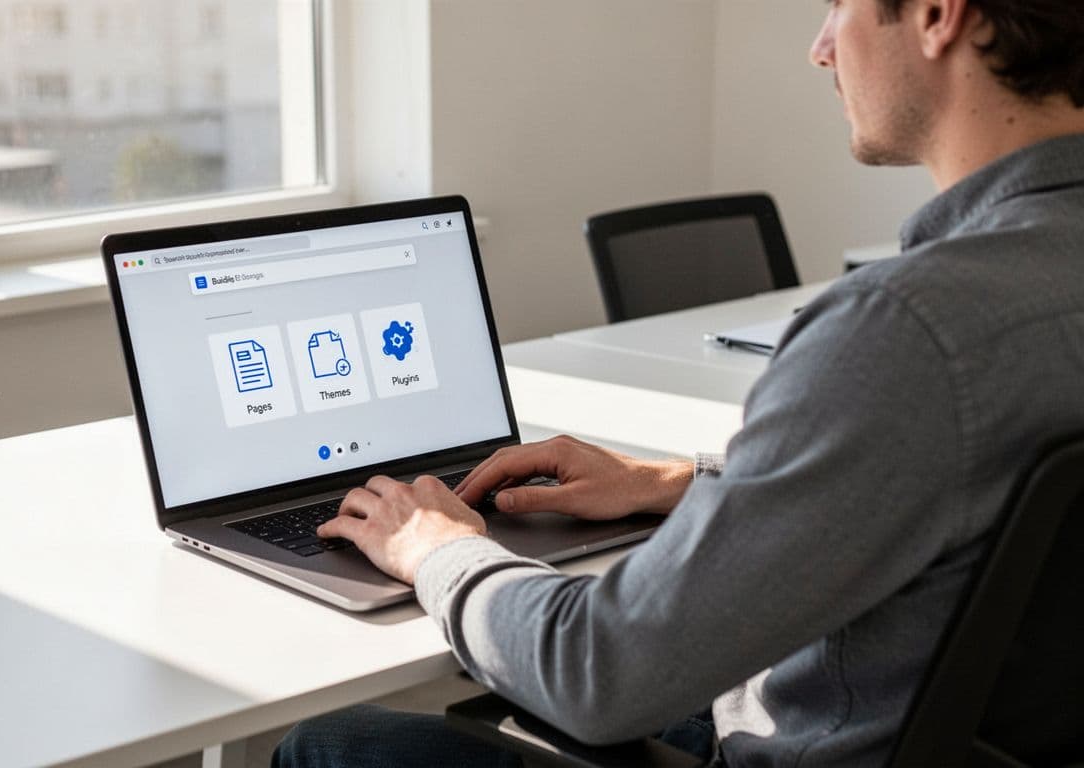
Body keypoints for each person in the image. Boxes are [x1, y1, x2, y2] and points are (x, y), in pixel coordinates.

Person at [276, 0, 1084, 764]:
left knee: (328, 742)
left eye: (840, 5)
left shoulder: (903, 332)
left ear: (939, 15)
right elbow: (953, 487)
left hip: (821, 740)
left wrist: (441, 551)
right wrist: (674, 484)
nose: (821, 46)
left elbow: (598, 674)